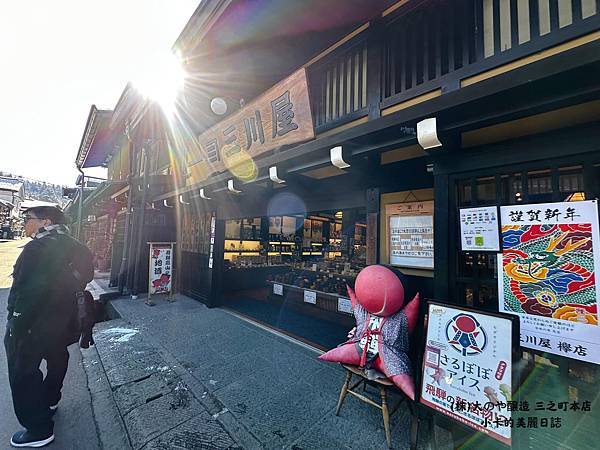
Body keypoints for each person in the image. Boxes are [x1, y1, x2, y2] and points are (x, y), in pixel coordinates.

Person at [4, 206, 93, 448]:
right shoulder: (76, 245)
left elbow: (27, 291)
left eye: (28, 219)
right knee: (57, 356)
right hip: (63, 321)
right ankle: (51, 398)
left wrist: (17, 323)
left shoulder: (37, 248)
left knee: (23, 372)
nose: (24, 223)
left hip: (33, 322)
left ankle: (38, 428)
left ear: (45, 222)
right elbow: (87, 274)